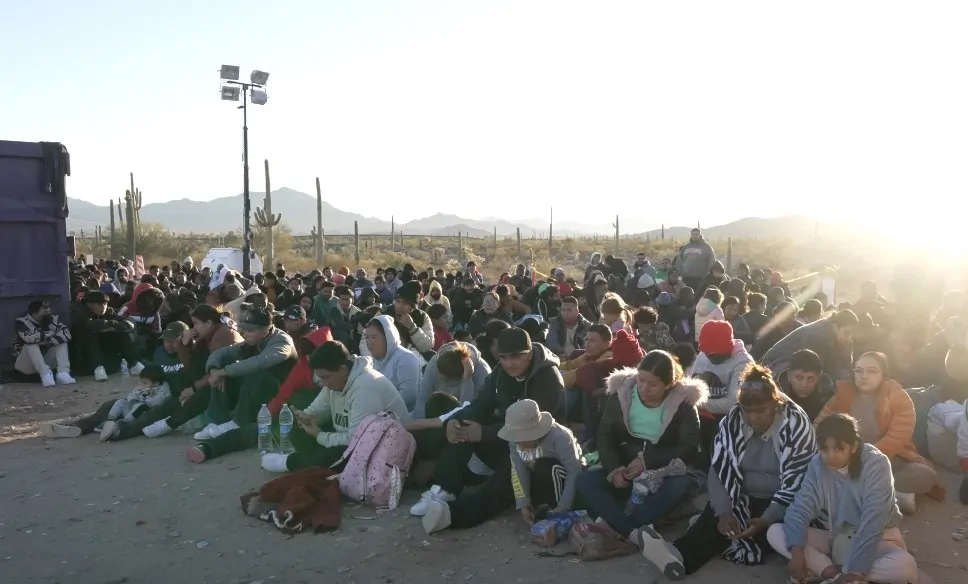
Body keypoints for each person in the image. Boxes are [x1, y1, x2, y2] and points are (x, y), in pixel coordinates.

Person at [636, 364, 817, 579]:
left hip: (783, 501)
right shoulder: (733, 419)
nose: (753, 417)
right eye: (748, 411)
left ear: (775, 406)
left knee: (766, 533)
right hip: (742, 493)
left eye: (761, 411)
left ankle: (708, 542)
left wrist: (768, 517)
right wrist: (723, 511)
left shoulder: (796, 423)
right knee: (719, 518)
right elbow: (720, 466)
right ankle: (677, 557)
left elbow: (798, 480)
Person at [409, 328, 564, 520]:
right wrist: (454, 422)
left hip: (539, 451)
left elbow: (533, 432)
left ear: (529, 354)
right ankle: (446, 489)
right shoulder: (501, 372)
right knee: (464, 424)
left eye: (515, 356)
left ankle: (455, 515)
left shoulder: (548, 379)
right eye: (503, 357)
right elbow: (480, 403)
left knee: (512, 466)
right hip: (503, 441)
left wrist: (485, 434)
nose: (508, 363)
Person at [768, 414, 918, 584]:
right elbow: (800, 508)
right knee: (775, 532)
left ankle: (837, 574)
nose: (830, 456)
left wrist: (856, 570)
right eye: (824, 449)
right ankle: (833, 574)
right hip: (836, 536)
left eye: (838, 449)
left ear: (853, 447)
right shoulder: (817, 464)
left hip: (879, 539)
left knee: (905, 566)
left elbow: (873, 522)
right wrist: (796, 553)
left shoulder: (876, 464)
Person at [576, 351, 708, 541]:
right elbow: (605, 435)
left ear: (668, 384)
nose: (644, 388)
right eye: (641, 380)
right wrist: (614, 470)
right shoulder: (621, 394)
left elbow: (689, 446)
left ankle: (620, 524)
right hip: (626, 466)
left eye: (653, 384)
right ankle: (631, 530)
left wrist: (647, 461)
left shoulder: (683, 403)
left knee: (679, 486)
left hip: (664, 470)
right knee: (585, 480)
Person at [422, 399, 582, 534]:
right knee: (503, 480)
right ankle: (451, 514)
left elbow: (575, 471)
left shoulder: (561, 437)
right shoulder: (515, 440)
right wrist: (523, 503)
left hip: (561, 480)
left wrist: (562, 507)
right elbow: (518, 469)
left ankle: (548, 509)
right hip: (533, 474)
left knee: (544, 467)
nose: (518, 441)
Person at [814, 351, 941, 513]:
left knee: (925, 475)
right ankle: (889, 498)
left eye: (871, 371)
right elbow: (820, 423)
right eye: (859, 371)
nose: (863, 376)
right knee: (818, 468)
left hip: (888, 459)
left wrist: (865, 458)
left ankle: (863, 494)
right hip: (845, 458)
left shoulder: (898, 397)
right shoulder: (843, 393)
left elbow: (897, 437)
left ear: (884, 375)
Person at [261, 341, 410, 472]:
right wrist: (306, 416)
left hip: (383, 448)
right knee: (300, 431)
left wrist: (319, 435)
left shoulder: (365, 387)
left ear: (342, 369)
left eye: (326, 377)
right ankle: (312, 464)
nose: (323, 383)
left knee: (337, 454)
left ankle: (291, 463)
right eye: (321, 378)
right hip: (355, 437)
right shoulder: (336, 381)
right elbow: (318, 407)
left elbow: (356, 440)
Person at [184, 308, 298, 463]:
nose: (245, 333)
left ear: (266, 330)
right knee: (225, 364)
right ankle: (219, 419)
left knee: (257, 374)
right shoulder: (255, 340)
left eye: (251, 330)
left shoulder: (282, 342)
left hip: (283, 395)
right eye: (244, 329)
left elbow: (260, 362)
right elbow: (220, 354)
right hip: (260, 392)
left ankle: (238, 422)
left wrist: (223, 372)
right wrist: (214, 370)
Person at [762, 309, 859, 382]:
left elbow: (846, 366)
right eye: (847, 333)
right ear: (836, 326)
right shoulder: (817, 335)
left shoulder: (840, 337)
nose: (849, 337)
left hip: (798, 364)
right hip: (776, 365)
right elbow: (812, 365)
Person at [70, 291, 144, 381]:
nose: (103, 307)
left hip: (108, 360)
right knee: (91, 334)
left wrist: (115, 325)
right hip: (85, 362)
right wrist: (109, 324)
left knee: (120, 333)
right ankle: (98, 367)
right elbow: (86, 325)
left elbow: (127, 324)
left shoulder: (107, 312)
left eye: (105, 304)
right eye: (99, 304)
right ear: (89, 304)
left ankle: (134, 363)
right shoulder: (79, 311)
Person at [413, 341, 491, 419]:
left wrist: (467, 379)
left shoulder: (483, 372)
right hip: (436, 416)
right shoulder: (434, 365)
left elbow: (470, 411)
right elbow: (422, 399)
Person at [98, 365, 171, 441]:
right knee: (121, 401)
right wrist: (136, 397)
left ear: (156, 383)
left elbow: (158, 401)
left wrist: (146, 397)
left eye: (145, 383)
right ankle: (110, 421)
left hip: (142, 412)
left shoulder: (163, 390)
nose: (142, 385)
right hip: (131, 409)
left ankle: (122, 424)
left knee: (139, 406)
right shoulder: (142, 388)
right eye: (142, 382)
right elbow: (131, 396)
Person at [364, 315, 422, 410]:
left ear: (388, 337)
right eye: (367, 337)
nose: (369, 342)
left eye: (374, 337)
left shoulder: (405, 358)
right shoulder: (373, 361)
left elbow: (409, 395)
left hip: (408, 417)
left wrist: (380, 409)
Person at [12, 300, 74, 386]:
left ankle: (63, 373)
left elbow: (66, 334)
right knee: (31, 344)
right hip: (26, 367)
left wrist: (48, 341)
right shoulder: (22, 321)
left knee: (62, 342)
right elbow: (28, 338)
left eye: (49, 308)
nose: (48, 311)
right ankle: (45, 374)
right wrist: (48, 335)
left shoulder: (52, 319)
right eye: (44, 309)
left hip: (46, 363)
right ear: (34, 313)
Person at [775, 349, 834, 421]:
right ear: (788, 376)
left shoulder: (827, 395)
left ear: (818, 378)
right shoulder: (775, 394)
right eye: (799, 378)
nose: (804, 384)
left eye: (810, 379)